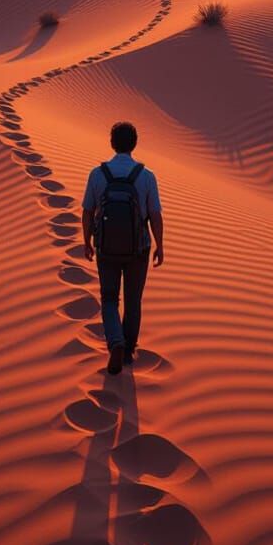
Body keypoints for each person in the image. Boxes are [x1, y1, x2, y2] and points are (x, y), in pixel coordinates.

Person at [82, 121, 164, 375]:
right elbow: (155, 215)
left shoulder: (98, 174)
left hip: (106, 248)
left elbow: (88, 211)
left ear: (112, 143)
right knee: (133, 300)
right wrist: (160, 245)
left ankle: (115, 342)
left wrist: (87, 241)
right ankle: (127, 351)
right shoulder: (146, 176)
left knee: (108, 298)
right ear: (134, 144)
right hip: (138, 249)